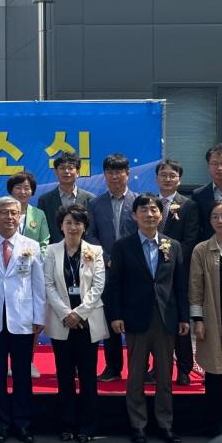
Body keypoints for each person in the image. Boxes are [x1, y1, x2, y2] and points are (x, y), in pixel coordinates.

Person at [105, 193, 188, 443]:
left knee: (164, 377)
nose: (149, 214)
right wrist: (116, 315)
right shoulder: (123, 246)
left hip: (166, 319)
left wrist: (184, 317)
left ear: (161, 215)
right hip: (135, 318)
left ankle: (165, 424)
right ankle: (138, 425)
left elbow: (180, 285)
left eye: (154, 210)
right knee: (136, 376)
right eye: (143, 210)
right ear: (134, 215)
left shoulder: (173, 246)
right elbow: (114, 284)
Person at [0, 196, 45, 443]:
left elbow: (38, 284)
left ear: (20, 217)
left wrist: (39, 316)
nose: (9, 217)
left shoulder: (31, 245)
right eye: (4, 212)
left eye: (14, 213)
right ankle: (0, 423)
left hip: (23, 319)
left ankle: (22, 423)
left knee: (22, 375)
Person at [43, 205, 107, 443]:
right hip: (62, 322)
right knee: (65, 376)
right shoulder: (51, 251)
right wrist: (65, 313)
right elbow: (48, 284)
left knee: (88, 377)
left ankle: (87, 426)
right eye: (68, 222)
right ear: (61, 226)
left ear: (85, 227)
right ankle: (67, 424)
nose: (73, 227)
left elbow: (98, 286)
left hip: (87, 322)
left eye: (78, 223)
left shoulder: (95, 251)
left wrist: (79, 314)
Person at [86, 152, 137, 382]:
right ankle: (113, 367)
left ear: (128, 174)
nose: (114, 176)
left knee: (136, 319)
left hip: (134, 270)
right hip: (105, 270)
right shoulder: (95, 204)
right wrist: (106, 257)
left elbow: (144, 233)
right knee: (110, 318)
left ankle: (139, 366)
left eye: (119, 172)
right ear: (104, 175)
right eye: (110, 172)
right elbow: (90, 234)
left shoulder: (139, 202)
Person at [189, 201, 222, 437]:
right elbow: (195, 287)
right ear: (209, 221)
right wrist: (197, 320)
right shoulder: (201, 250)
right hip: (211, 319)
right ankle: (214, 425)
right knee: (214, 375)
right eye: (215, 217)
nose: (220, 221)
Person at [154, 159, 199, 385]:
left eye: (172, 175)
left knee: (181, 320)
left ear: (179, 179)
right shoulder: (150, 203)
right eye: (163, 175)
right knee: (156, 321)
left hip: (178, 271)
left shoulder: (188, 205)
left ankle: (183, 368)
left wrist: (171, 259)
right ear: (156, 178)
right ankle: (157, 368)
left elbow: (191, 239)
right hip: (153, 272)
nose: (167, 179)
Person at [7, 171, 50, 379]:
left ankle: (29, 361)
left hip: (31, 272)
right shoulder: (2, 210)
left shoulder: (38, 214)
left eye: (27, 188)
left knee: (31, 318)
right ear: (11, 190)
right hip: (6, 272)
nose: (23, 192)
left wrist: (33, 256)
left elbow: (45, 242)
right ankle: (6, 361)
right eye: (18, 188)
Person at [38, 152, 95, 245]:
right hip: (54, 250)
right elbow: (42, 231)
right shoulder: (45, 200)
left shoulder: (90, 199)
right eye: (62, 168)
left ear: (77, 172)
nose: (66, 171)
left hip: (84, 250)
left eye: (70, 168)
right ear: (56, 172)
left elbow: (92, 230)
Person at [192, 143, 222, 240]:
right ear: (209, 166)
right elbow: (197, 227)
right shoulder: (198, 195)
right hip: (208, 247)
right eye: (215, 164)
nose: (219, 168)